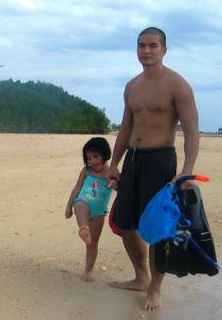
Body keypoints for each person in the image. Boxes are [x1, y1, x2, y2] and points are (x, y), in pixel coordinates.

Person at [106, 27, 199, 311]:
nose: (146, 50)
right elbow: (125, 129)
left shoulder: (177, 85)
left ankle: (155, 289)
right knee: (124, 223)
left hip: (161, 161)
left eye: (153, 45)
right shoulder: (132, 86)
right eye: (141, 45)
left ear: (164, 50)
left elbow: (192, 131)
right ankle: (140, 276)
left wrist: (187, 170)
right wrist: (114, 164)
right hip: (133, 160)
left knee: (158, 228)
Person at [65, 137, 114, 282]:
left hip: (99, 212)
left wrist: (115, 183)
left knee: (92, 243)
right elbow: (78, 187)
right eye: (89, 158)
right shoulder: (86, 171)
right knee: (79, 205)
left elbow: (121, 189)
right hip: (83, 202)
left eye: (96, 157)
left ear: (105, 154)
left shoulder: (112, 173)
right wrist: (69, 205)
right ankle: (83, 228)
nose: (92, 161)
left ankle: (88, 270)